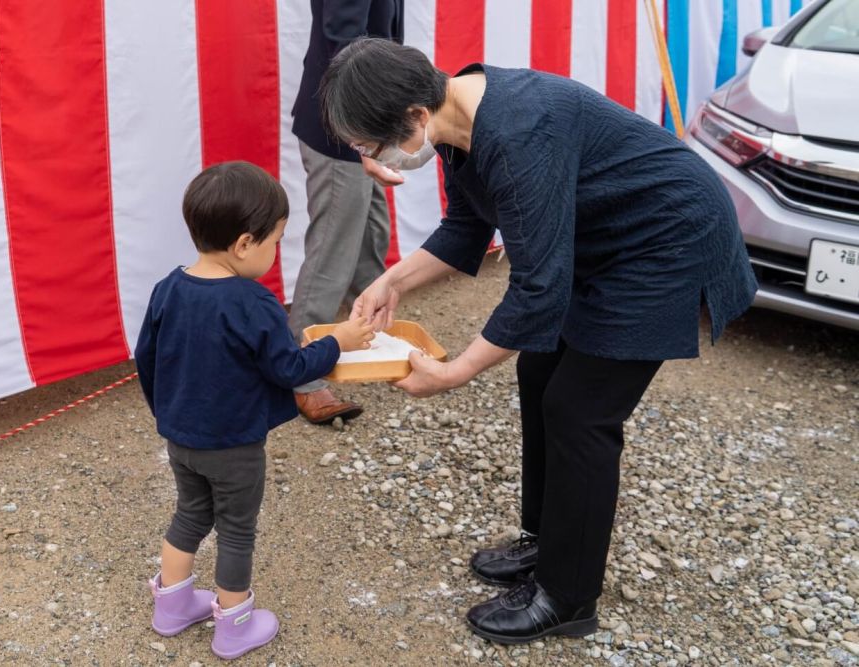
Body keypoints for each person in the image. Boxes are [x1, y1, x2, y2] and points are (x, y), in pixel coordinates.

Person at [320, 39, 757, 644]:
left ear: (414, 116)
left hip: (665, 239)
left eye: (370, 146)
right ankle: (547, 543)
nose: (373, 161)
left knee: (580, 411)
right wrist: (391, 281)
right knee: (539, 373)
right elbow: (468, 224)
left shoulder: (518, 132)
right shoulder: (456, 117)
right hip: (600, 237)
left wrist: (454, 372)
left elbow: (539, 289)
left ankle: (568, 597)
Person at [134, 162, 373, 659]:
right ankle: (234, 624)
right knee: (237, 530)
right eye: (275, 241)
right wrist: (337, 343)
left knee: (190, 514)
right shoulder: (253, 302)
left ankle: (173, 607)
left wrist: (167, 414)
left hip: (182, 439)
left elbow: (148, 358)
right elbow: (287, 369)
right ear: (244, 244)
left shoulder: (168, 288)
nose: (274, 253)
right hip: (235, 446)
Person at [288, 0, 404, 425]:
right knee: (333, 251)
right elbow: (344, 45)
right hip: (340, 129)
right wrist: (360, 140)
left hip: (361, 125)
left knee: (371, 237)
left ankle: (367, 338)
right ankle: (303, 374)